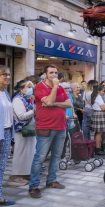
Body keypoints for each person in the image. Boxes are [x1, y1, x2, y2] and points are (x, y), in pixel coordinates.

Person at [29, 65, 71, 199]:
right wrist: (54, 89)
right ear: (45, 74)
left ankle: (51, 180)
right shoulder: (39, 87)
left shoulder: (59, 88)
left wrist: (53, 104)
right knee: (40, 157)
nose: (54, 75)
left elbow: (69, 104)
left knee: (56, 156)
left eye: (56, 72)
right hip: (45, 128)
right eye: (51, 72)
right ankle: (34, 186)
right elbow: (47, 101)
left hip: (61, 127)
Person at [0, 65, 16, 207]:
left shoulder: (5, 92)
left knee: (0, 168)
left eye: (8, 74)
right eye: (4, 74)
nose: (7, 77)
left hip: (6, 133)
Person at [8, 80, 36, 187]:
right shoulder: (18, 100)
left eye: (31, 86)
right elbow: (21, 116)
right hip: (21, 130)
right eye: (28, 86)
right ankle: (15, 175)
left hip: (29, 129)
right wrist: (34, 111)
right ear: (21, 88)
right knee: (20, 152)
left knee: (28, 152)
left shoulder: (29, 99)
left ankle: (24, 174)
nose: (30, 89)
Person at [91, 85, 105, 155]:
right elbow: (103, 108)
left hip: (98, 114)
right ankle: (97, 149)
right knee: (99, 133)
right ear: (98, 91)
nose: (103, 92)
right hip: (99, 115)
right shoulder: (98, 97)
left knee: (98, 133)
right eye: (102, 91)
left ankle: (97, 147)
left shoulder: (95, 96)